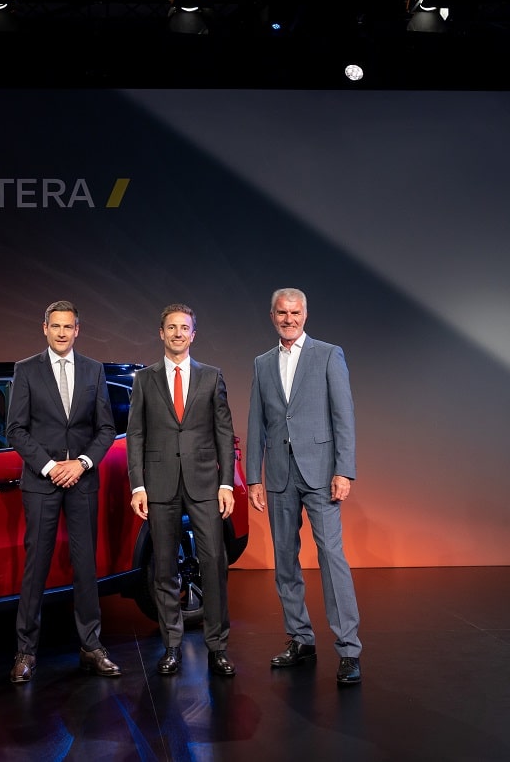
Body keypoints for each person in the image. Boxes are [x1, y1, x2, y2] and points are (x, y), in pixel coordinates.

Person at [246, 287, 363, 685]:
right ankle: (300, 639)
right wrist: (254, 477)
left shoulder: (328, 354)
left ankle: (348, 649)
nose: (289, 319)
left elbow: (343, 415)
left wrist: (344, 470)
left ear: (305, 315)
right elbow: (257, 422)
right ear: (272, 316)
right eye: (282, 313)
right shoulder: (262, 363)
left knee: (331, 556)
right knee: (285, 559)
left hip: (321, 473)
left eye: (295, 313)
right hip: (279, 474)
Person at [6, 300, 120, 683]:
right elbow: (15, 429)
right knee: (36, 567)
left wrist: (82, 463)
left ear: (77, 330)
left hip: (83, 480)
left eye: (67, 326)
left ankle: (91, 647)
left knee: (85, 566)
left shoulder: (93, 369)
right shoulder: (26, 370)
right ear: (45, 328)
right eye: (55, 326)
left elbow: (106, 428)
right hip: (42, 482)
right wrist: (51, 466)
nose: (61, 332)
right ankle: (25, 652)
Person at [127, 303, 241, 677]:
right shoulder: (145, 379)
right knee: (164, 568)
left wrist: (226, 482)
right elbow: (136, 435)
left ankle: (217, 647)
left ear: (193, 335)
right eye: (172, 328)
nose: (178, 333)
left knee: (214, 563)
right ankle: (172, 646)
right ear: (161, 333)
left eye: (184, 328)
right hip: (160, 485)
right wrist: (138, 485)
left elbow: (224, 432)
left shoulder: (211, 376)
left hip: (205, 482)